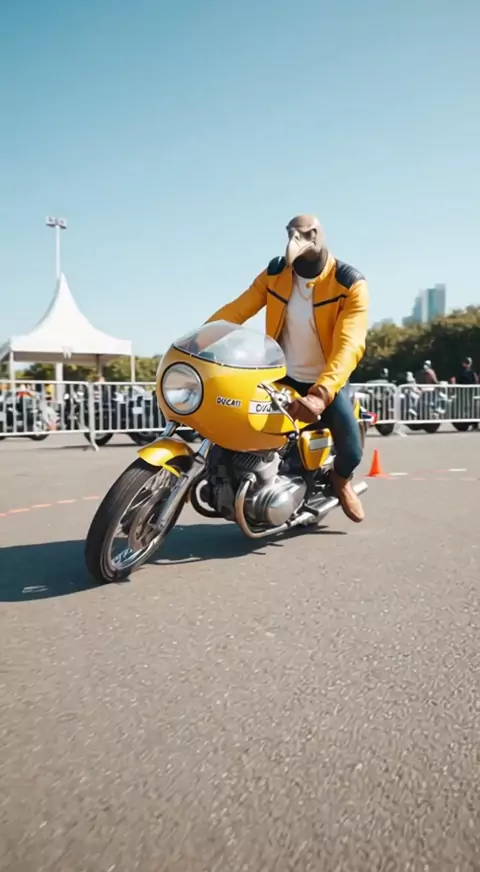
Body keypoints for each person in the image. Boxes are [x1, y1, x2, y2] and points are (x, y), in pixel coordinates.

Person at [206, 214, 369, 522]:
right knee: (239, 423)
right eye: (292, 234)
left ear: (318, 235)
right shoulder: (276, 273)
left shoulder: (349, 283)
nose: (297, 240)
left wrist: (321, 393)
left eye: (306, 234)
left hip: (327, 382)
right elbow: (237, 310)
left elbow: (350, 344)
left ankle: (341, 481)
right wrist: (202, 338)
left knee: (351, 451)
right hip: (282, 376)